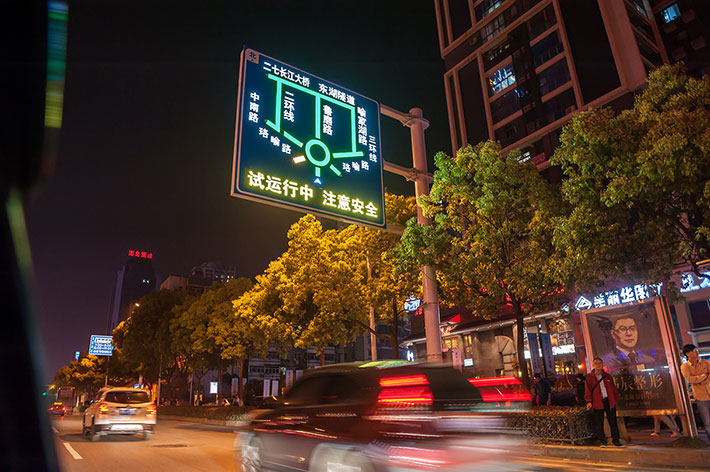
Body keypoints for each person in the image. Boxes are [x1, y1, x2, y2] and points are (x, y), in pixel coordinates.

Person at [585, 357, 622, 447]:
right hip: (597, 401)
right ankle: (602, 441)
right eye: (596, 363)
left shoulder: (608, 376)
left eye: (600, 363)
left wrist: (615, 398)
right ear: (593, 365)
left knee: (613, 421)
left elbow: (613, 388)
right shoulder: (589, 378)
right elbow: (588, 390)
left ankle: (616, 440)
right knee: (599, 422)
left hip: (609, 401)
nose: (598, 365)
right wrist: (589, 401)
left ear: (602, 365)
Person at [680, 344, 710, 440]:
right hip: (700, 397)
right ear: (687, 354)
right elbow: (690, 379)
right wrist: (704, 376)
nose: (696, 352)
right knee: (707, 421)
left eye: (696, 350)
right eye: (693, 351)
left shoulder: (705, 362)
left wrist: (701, 380)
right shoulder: (685, 367)